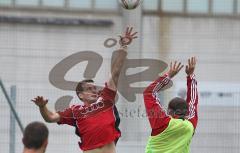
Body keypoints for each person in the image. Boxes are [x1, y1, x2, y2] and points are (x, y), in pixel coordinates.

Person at [31, 27, 137, 153]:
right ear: (81, 95)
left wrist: (123, 47)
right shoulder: (75, 111)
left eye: (95, 88)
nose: (94, 91)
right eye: (89, 89)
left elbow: (116, 72)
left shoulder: (106, 99)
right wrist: (42, 107)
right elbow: (50, 117)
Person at [144, 57, 198, 153]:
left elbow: (149, 93)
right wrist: (190, 75)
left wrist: (168, 75)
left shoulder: (161, 122)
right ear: (187, 113)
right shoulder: (190, 125)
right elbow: (193, 101)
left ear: (169, 112)